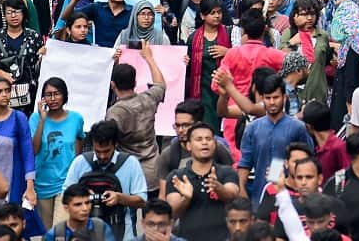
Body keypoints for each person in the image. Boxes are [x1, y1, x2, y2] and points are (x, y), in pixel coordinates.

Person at [63, 120, 148, 241]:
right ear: (92, 145)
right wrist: (83, 197)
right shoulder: (80, 162)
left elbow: (142, 201)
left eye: (106, 151)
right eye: (98, 151)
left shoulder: (131, 163)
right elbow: (65, 195)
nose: (102, 156)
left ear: (115, 145)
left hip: (122, 233)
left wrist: (119, 198)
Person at [237, 73, 311, 199]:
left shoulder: (298, 128)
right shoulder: (252, 129)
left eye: (276, 97)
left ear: (284, 97)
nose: (272, 102)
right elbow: (245, 163)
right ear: (262, 98)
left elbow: (308, 160)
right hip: (260, 195)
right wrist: (241, 190)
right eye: (268, 98)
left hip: (292, 196)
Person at [106, 44, 167, 194]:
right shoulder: (148, 99)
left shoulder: (114, 112)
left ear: (112, 85)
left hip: (126, 172)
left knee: (127, 214)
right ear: (134, 82)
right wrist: (149, 59)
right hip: (152, 171)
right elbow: (160, 85)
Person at [164, 122, 241, 240]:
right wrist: (186, 198)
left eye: (208, 139)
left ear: (214, 144)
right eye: (199, 139)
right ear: (189, 145)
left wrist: (218, 188)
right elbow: (173, 212)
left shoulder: (227, 172)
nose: (204, 142)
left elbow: (233, 194)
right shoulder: (177, 176)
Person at [29, 77, 85, 227]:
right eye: (48, 94)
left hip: (66, 182)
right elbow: (34, 149)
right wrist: (42, 120)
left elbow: (80, 139)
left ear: (64, 95)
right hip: (42, 182)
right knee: (46, 231)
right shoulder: (35, 118)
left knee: (62, 230)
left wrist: (76, 167)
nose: (53, 98)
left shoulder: (76, 118)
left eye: (57, 93)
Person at [44, 184, 117, 241]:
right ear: (66, 208)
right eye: (78, 204)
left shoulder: (101, 228)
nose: (85, 208)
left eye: (87, 203)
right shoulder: (55, 234)